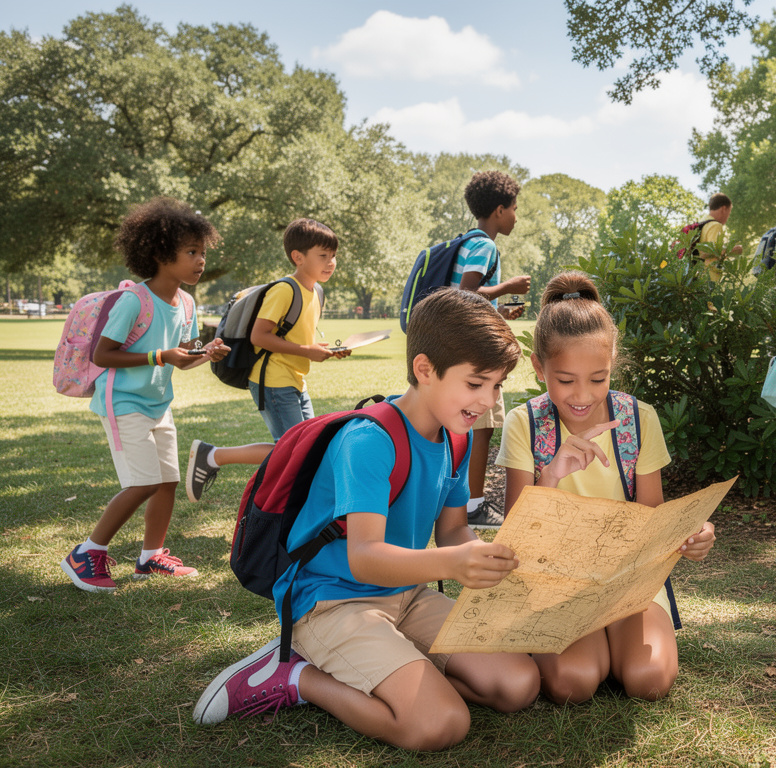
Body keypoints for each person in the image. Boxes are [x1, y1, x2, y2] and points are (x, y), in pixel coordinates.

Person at [193, 288, 540, 750]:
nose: (487, 400)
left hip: (407, 593)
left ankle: (394, 667)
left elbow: (453, 529)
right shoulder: (370, 441)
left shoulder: (456, 438)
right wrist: (454, 564)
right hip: (333, 601)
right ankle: (296, 676)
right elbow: (365, 558)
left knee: (517, 684)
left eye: (496, 385)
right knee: (439, 725)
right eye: (475, 383)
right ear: (424, 369)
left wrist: (487, 556)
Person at [495, 272, 717, 704]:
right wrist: (553, 473)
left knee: (648, 680)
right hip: (555, 581)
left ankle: (612, 636)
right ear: (539, 368)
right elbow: (516, 534)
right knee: (572, 684)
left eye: (598, 379)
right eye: (565, 380)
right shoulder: (525, 423)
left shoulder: (639, 419)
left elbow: (653, 514)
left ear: (613, 363)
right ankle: (587, 641)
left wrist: (691, 531)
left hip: (628, 580)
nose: (583, 395)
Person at [60, 198, 231, 592]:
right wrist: (159, 355)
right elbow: (103, 354)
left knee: (167, 481)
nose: (201, 260)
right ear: (158, 253)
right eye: (191, 252)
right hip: (122, 404)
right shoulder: (133, 300)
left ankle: (150, 557)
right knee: (142, 484)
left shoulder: (186, 302)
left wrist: (205, 353)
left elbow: (181, 359)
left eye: (202, 252)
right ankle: (86, 552)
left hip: (158, 405)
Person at [454, 170, 534, 529]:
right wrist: (508, 286)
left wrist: (498, 313)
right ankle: (474, 506)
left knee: (465, 426)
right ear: (499, 210)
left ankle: (461, 501)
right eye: (515, 208)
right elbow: (466, 293)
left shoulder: (465, 242)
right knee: (482, 427)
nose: (516, 216)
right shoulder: (485, 245)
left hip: (460, 344)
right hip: (474, 351)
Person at [246, 218, 350, 441]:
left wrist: (324, 350)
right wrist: (307, 351)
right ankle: (215, 456)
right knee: (294, 449)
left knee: (305, 445)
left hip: (296, 380)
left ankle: (213, 455)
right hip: (274, 380)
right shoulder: (285, 290)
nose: (331, 262)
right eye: (323, 256)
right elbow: (259, 336)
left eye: (333, 255)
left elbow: (297, 338)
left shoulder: (316, 292)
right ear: (298, 257)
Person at [696, 193, 744, 281]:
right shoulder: (715, 225)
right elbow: (709, 252)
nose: (728, 217)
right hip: (709, 279)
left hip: (697, 276)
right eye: (728, 213)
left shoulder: (702, 223)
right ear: (723, 209)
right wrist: (732, 250)